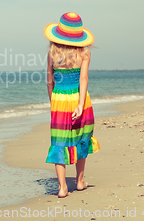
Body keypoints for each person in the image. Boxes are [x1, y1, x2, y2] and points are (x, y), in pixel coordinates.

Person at [43, 12, 101, 198]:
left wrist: (54, 102)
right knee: (81, 138)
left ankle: (62, 188)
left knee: (59, 141)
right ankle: (80, 181)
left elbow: (49, 82)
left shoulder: (52, 54)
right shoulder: (84, 53)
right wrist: (80, 104)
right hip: (79, 98)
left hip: (59, 100)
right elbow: (83, 79)